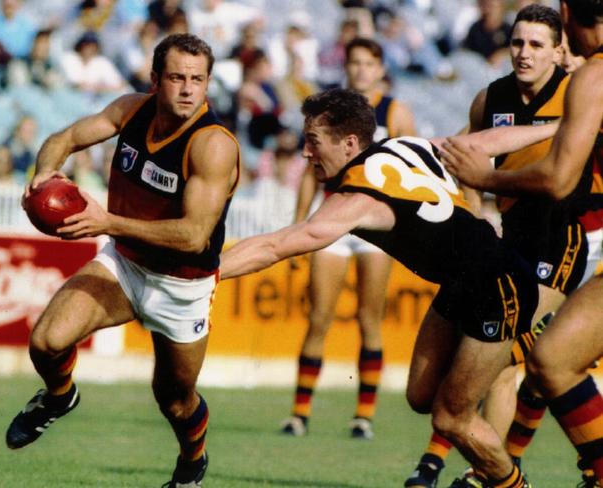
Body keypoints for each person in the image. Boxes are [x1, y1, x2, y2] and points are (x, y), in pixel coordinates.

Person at [221, 87, 563, 488]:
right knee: (421, 396)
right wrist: (558, 127)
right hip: (465, 282)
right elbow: (480, 143)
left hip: (497, 286)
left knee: (451, 417)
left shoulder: (358, 197)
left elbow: (277, 244)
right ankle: (519, 349)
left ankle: (511, 484)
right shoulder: (404, 146)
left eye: (313, 142)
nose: (305, 154)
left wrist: (203, 273)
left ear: (349, 143)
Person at [4, 33, 240, 488]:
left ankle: (193, 460)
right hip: (126, 265)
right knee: (46, 341)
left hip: (183, 286)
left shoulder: (213, 144)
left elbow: (193, 237)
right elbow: (67, 136)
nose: (188, 89)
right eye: (176, 77)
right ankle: (58, 397)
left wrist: (108, 222)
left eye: (198, 79)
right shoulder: (133, 108)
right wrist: (45, 173)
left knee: (174, 400)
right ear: (155, 80)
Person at [405, 5, 591, 487]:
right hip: (504, 245)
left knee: (504, 359)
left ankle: (480, 472)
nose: (524, 53)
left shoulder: (581, 90)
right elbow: (464, 159)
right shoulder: (490, 97)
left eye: (536, 44)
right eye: (517, 43)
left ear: (558, 50)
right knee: (426, 392)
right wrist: (476, 214)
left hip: (557, 243)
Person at [279, 37, 416, 440]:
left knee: (369, 319)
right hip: (333, 220)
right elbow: (309, 172)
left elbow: (411, 163)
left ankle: (363, 417)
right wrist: (296, 224)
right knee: (318, 317)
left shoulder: (396, 111)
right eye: (353, 63)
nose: (359, 70)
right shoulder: (330, 113)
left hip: (374, 226)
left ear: (380, 68)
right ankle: (299, 414)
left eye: (367, 64)